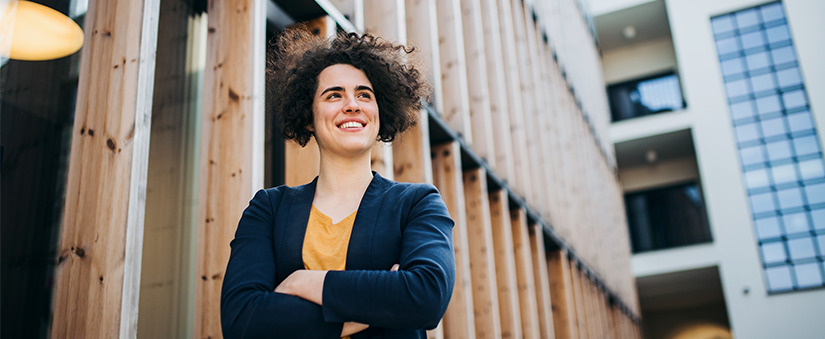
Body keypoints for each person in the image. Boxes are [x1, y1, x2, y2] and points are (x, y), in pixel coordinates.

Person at [220, 27, 456, 339]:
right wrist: (366, 311)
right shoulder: (270, 209)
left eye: (364, 95)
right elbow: (241, 320)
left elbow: (426, 296)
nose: (352, 105)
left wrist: (305, 282)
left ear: (379, 112)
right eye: (334, 95)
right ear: (308, 116)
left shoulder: (417, 203)